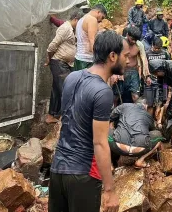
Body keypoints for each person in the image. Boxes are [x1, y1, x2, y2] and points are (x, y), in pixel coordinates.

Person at [49, 31, 130, 212]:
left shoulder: (72, 77)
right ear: (112, 56)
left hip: (57, 170)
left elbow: (67, 121)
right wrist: (109, 190)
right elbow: (100, 143)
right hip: (83, 175)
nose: (128, 61)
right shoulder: (102, 92)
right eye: (125, 56)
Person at [45, 11, 84, 124]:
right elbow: (52, 46)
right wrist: (49, 59)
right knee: (66, 90)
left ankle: (51, 116)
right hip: (59, 62)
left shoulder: (72, 30)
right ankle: (65, 118)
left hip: (64, 63)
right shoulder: (65, 28)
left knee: (56, 90)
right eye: (80, 23)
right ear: (76, 19)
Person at [109, 102, 164, 169]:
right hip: (140, 149)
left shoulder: (124, 106)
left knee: (104, 132)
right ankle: (140, 160)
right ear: (144, 108)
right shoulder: (148, 115)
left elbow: (110, 117)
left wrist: (113, 127)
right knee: (158, 135)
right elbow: (152, 131)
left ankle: (110, 164)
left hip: (118, 146)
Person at [112, 27, 151, 103]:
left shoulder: (139, 45)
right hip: (121, 71)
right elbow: (114, 58)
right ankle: (113, 112)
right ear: (127, 35)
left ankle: (135, 112)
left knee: (135, 96)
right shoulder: (120, 43)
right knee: (116, 96)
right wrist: (114, 73)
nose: (133, 41)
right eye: (132, 39)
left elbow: (144, 60)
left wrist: (147, 76)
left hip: (134, 72)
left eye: (135, 40)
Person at [145, 37, 171, 127]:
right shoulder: (147, 53)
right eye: (155, 48)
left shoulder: (165, 53)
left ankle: (159, 122)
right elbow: (144, 67)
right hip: (150, 81)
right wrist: (146, 77)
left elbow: (169, 66)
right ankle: (149, 121)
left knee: (162, 101)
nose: (157, 50)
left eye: (159, 48)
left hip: (163, 82)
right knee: (150, 103)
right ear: (152, 45)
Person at [74, 4, 107, 71]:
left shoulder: (81, 19)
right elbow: (92, 41)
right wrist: (99, 60)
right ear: (98, 12)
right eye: (102, 17)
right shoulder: (92, 20)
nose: (101, 20)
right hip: (87, 61)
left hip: (79, 58)